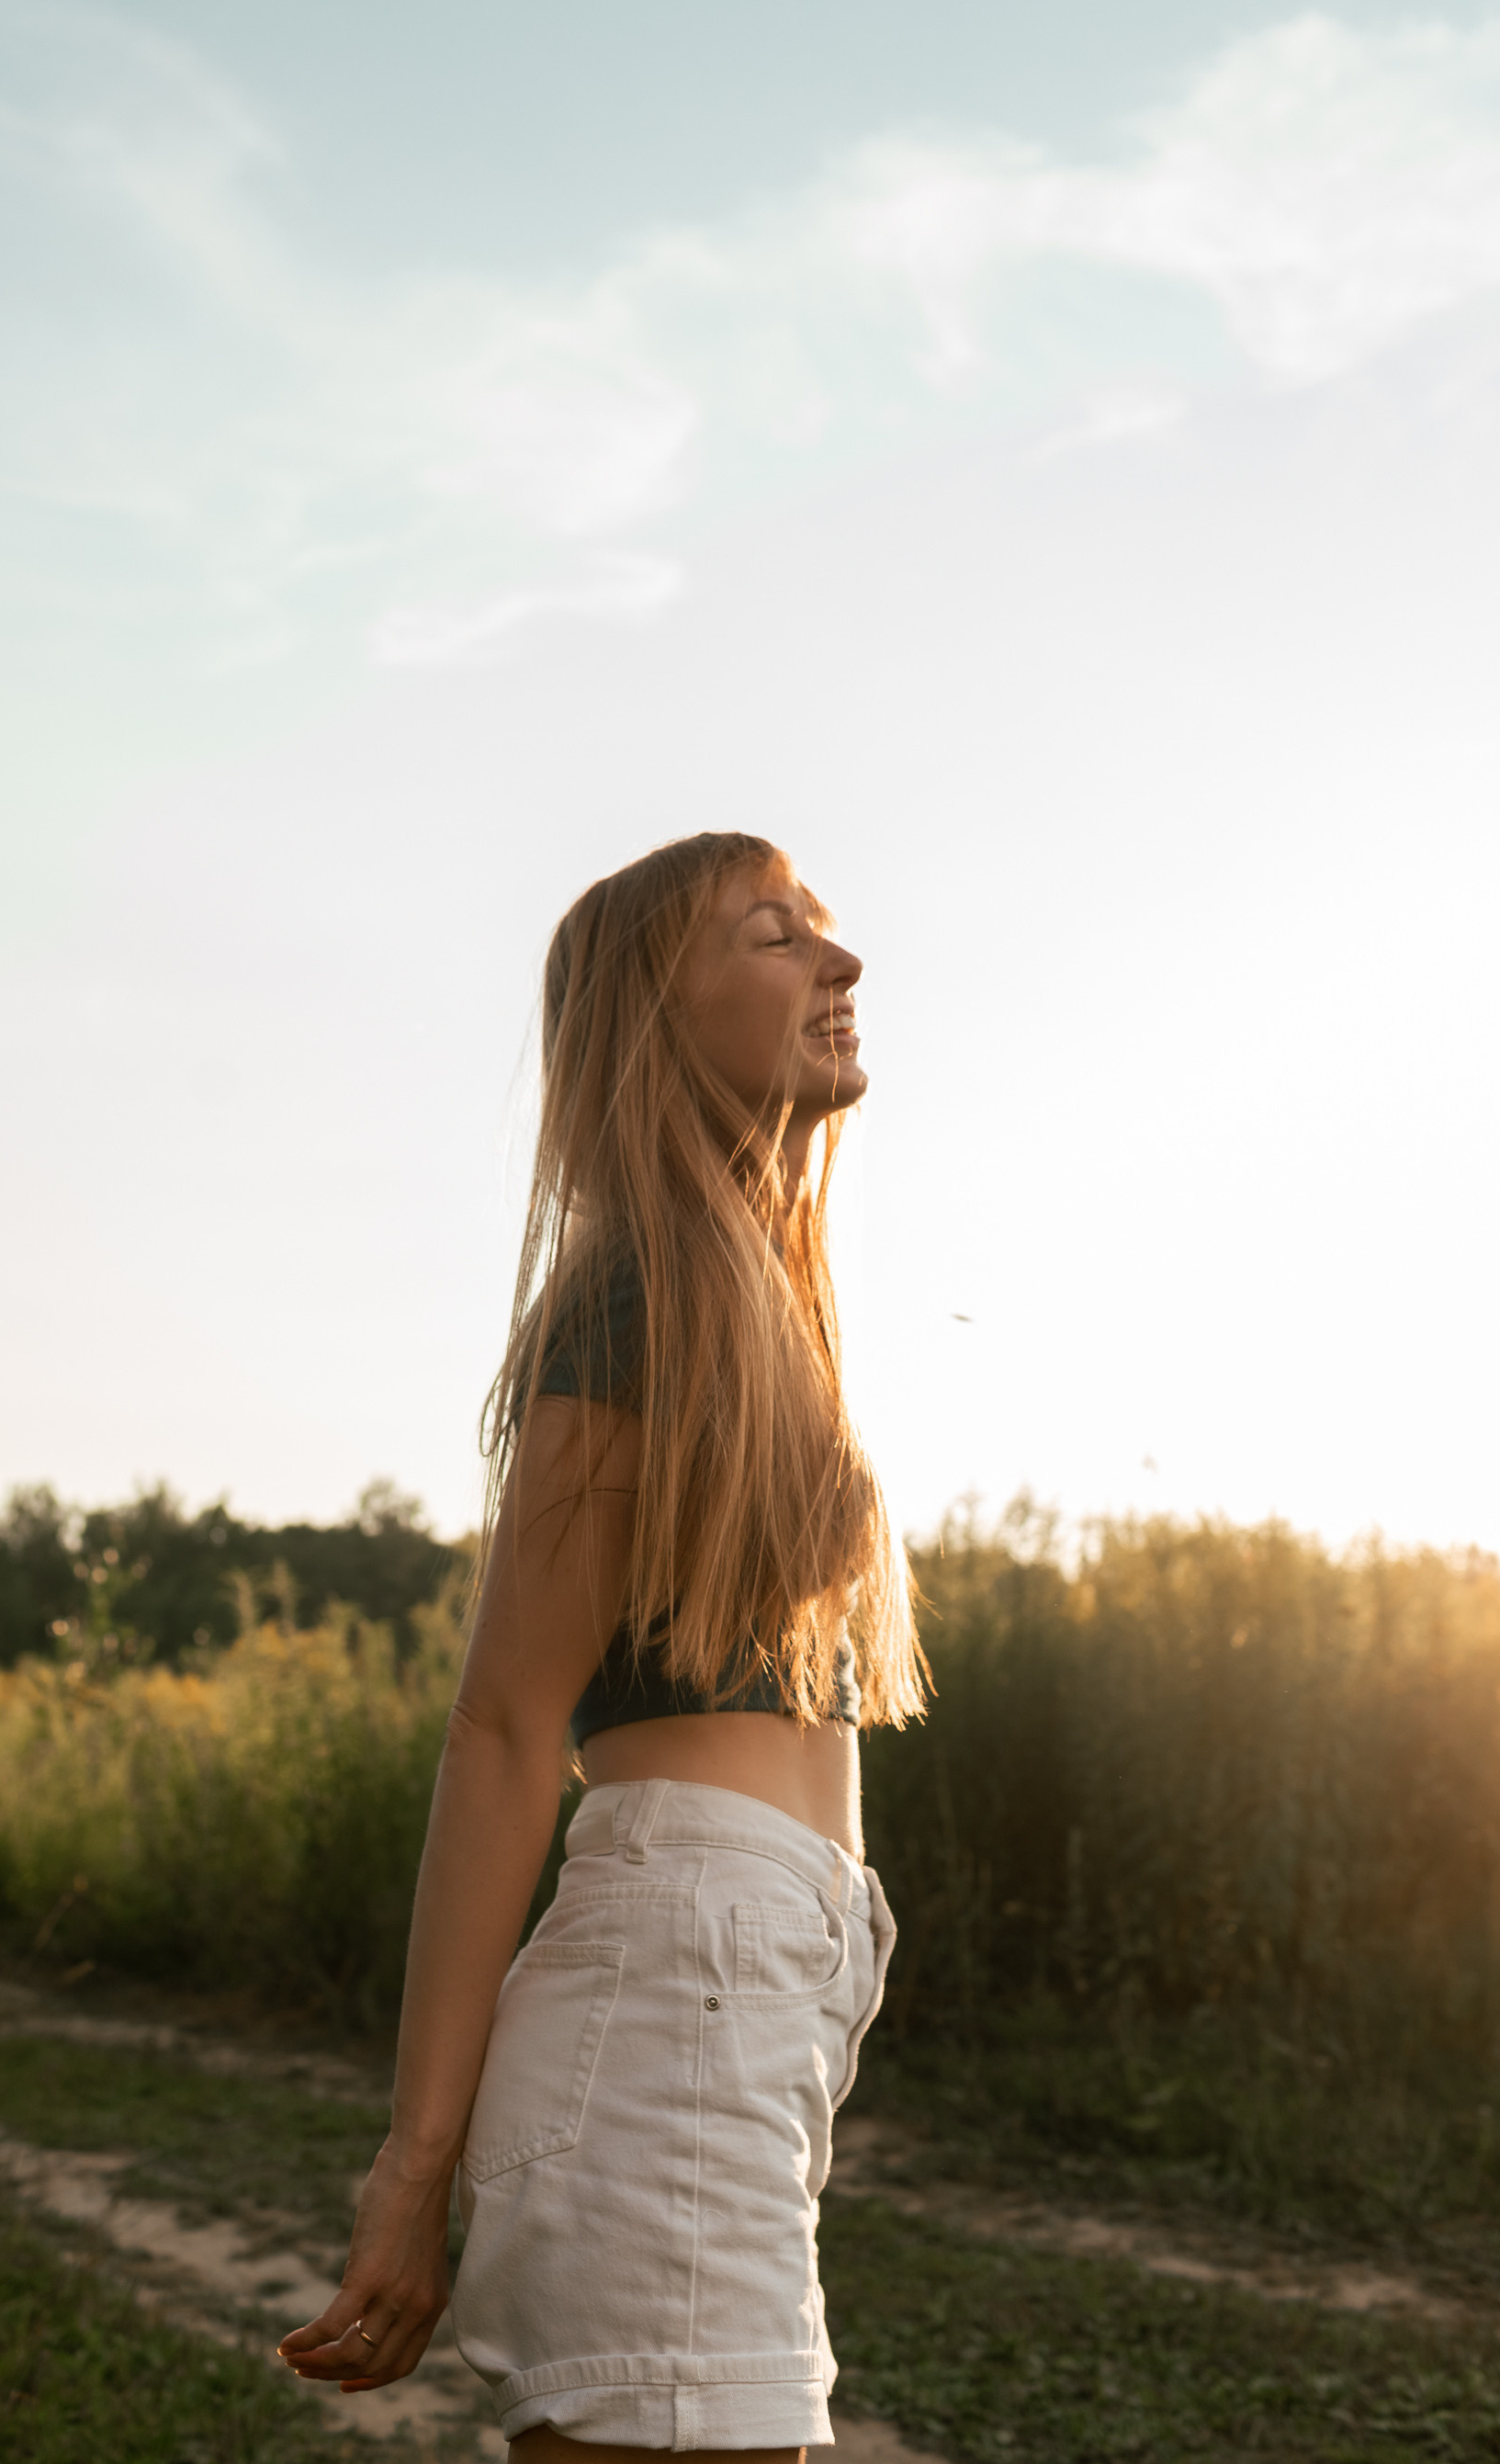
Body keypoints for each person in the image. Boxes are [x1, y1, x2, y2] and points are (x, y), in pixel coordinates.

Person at [280, 830, 925, 2461]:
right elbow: (504, 1727)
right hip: (674, 1989)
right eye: (776, 936)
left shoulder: (754, 1300)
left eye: (827, 934)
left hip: (747, 1990)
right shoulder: (634, 1299)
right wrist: (412, 2171)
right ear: (659, 1016)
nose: (839, 966)